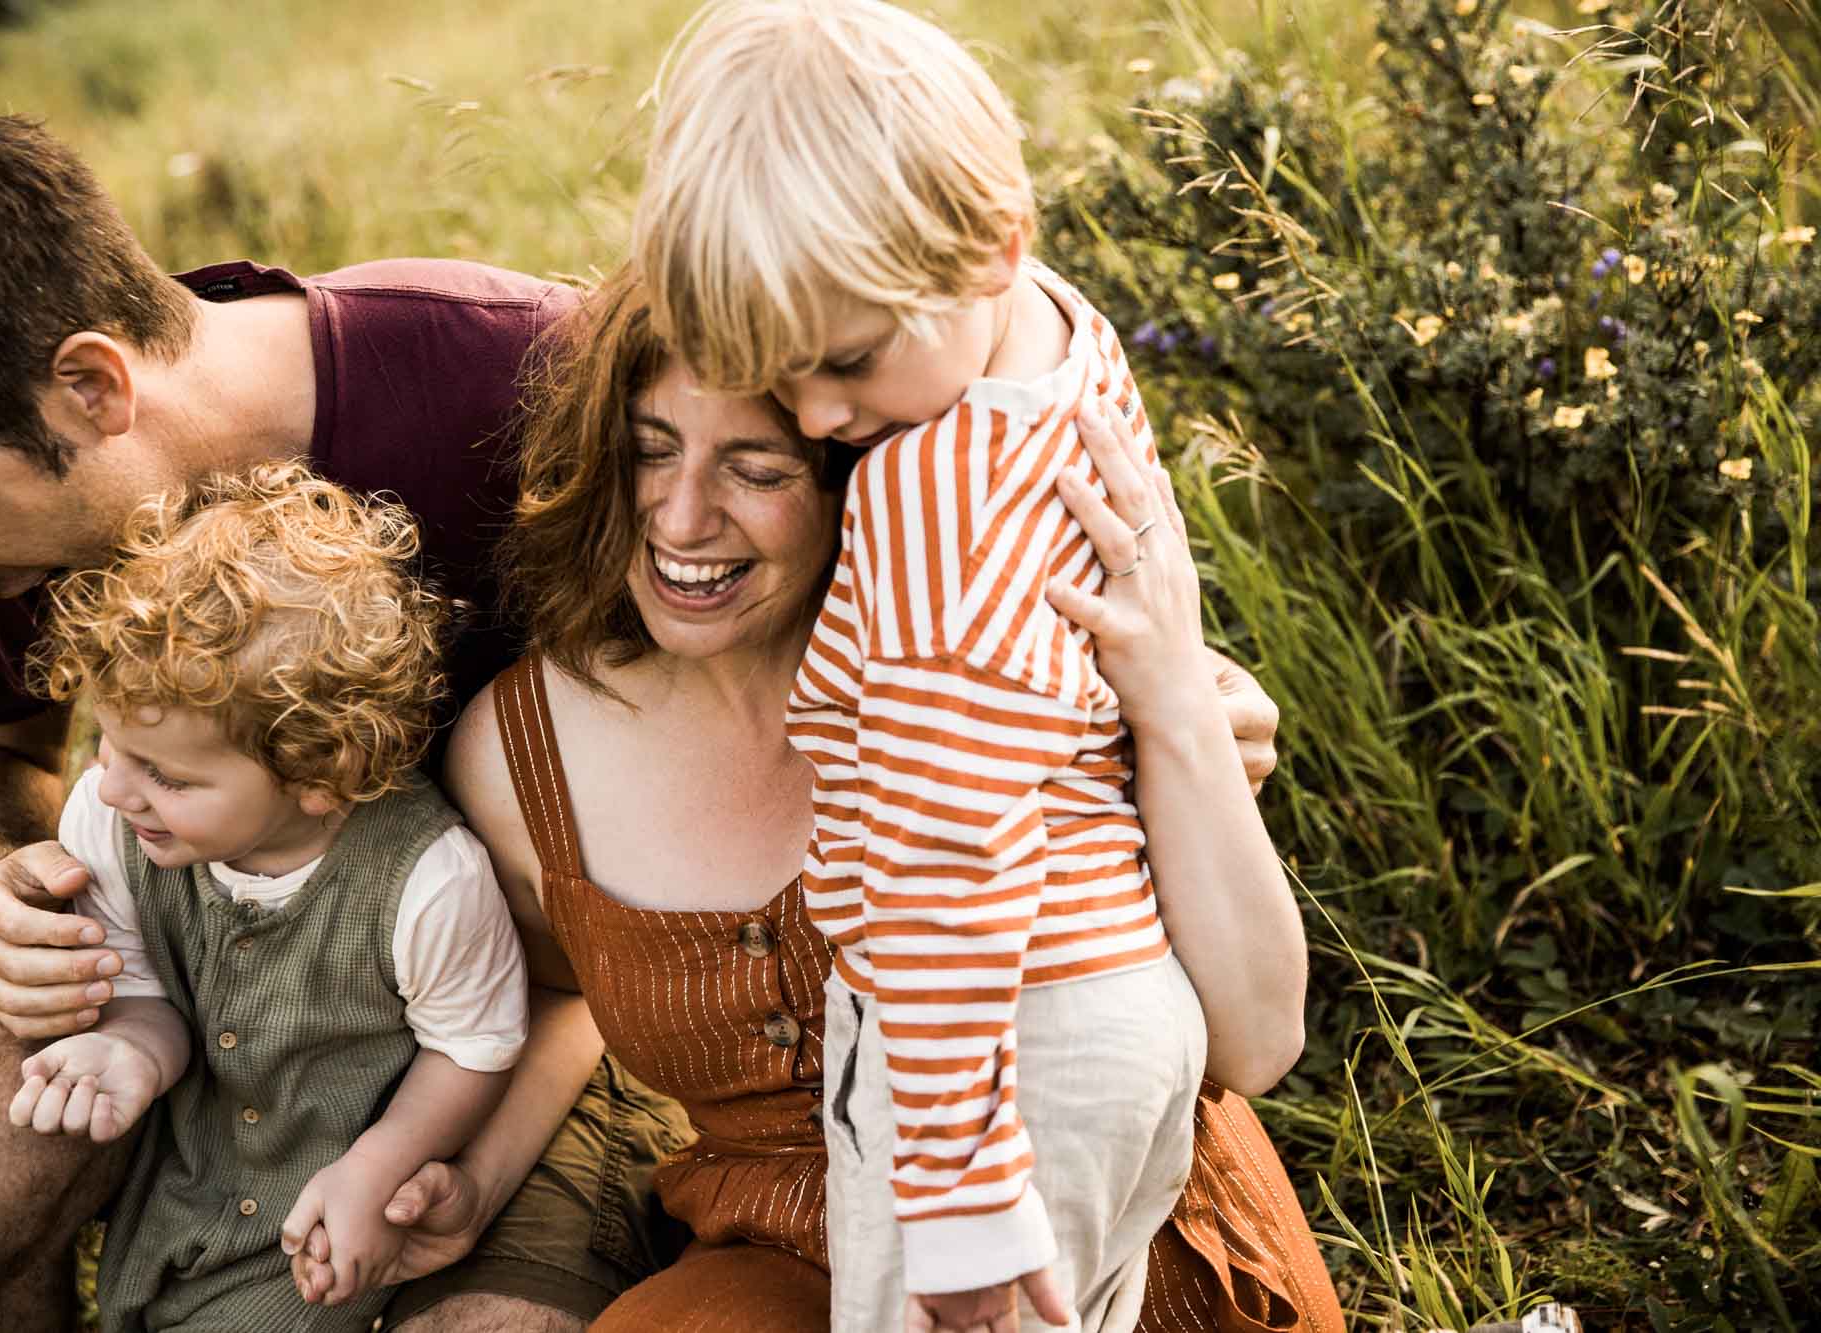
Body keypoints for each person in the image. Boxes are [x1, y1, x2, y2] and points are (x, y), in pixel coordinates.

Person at [296, 267, 1342, 1333]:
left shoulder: (988, 676)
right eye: (650, 449)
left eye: (756, 469)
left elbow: (1254, 1045)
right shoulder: (521, 757)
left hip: (1092, 1222)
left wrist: (1172, 706)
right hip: (784, 1245)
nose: (685, 515)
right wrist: (475, 1182)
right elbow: (558, 992)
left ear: (854, 478)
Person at [0, 92, 690, 1333]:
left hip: (525, 1006)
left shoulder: (528, 384)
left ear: (90, 385)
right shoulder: (32, 527)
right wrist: (15, 881)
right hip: (164, 952)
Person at [630, 3, 1299, 1328]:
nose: (822, 421)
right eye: (784, 377)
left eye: (846, 364)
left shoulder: (930, 503)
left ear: (992, 241)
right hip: (1118, 1006)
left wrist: (957, 1194)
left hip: (1007, 1043)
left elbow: (947, 858)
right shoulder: (1053, 335)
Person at [6, 461, 528, 1329]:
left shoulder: (429, 882)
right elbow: (143, 988)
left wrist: (380, 1162)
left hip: (325, 1227)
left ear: (320, 774)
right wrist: (130, 1047)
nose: (112, 790)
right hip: (184, 1196)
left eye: (165, 775)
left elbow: (472, 1045)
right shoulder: (111, 825)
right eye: (110, 744)